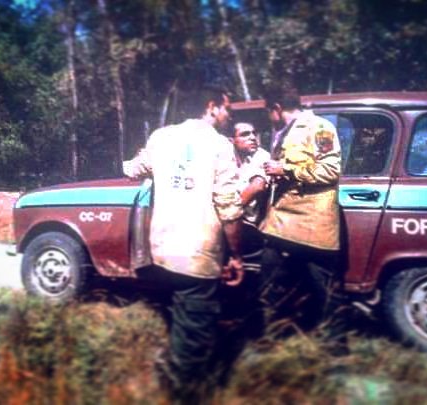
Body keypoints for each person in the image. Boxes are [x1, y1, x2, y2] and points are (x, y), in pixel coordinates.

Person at [122, 88, 244, 402]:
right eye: (226, 108)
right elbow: (229, 208)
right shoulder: (220, 146)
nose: (229, 115)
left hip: (162, 250)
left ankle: (172, 381)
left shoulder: (161, 137)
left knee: (178, 317)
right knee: (194, 334)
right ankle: (184, 393)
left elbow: (131, 169)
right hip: (198, 254)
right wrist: (237, 256)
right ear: (211, 105)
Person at [259, 83, 347, 349]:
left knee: (324, 289)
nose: (268, 117)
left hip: (311, 225)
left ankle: (336, 349)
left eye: (268, 111)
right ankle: (275, 338)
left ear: (276, 108)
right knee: (272, 282)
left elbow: (331, 170)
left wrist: (285, 169)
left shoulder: (319, 128)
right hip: (283, 223)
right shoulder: (283, 131)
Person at [229, 122, 270, 265]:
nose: (253, 137)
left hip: (246, 225)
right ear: (231, 140)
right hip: (225, 221)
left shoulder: (262, 156)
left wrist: (228, 212)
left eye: (254, 133)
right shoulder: (225, 157)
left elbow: (257, 186)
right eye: (245, 134)